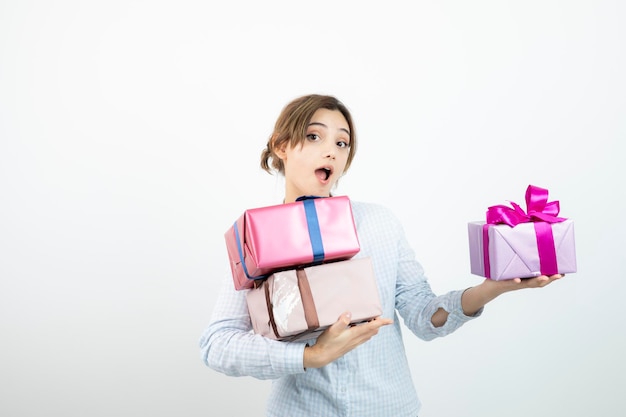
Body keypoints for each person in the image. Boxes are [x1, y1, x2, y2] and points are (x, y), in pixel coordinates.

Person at [199, 94, 564, 416]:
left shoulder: (379, 223)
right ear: (281, 146)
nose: (331, 151)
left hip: (389, 407)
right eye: (314, 136)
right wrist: (310, 356)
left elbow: (424, 317)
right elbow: (218, 344)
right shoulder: (255, 237)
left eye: (342, 144)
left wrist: (491, 288)